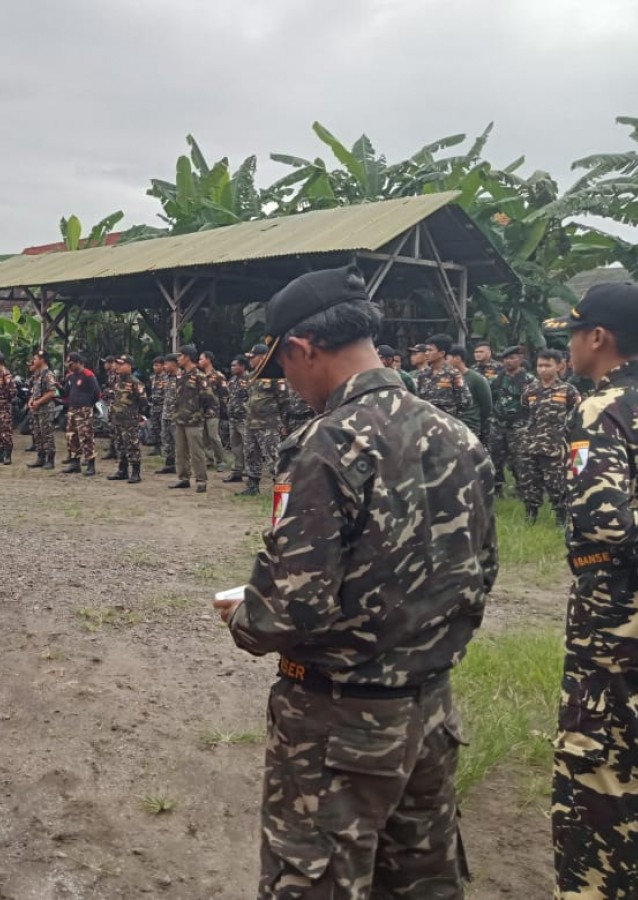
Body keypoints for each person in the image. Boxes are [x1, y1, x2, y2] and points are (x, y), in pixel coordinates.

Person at [213, 264, 497, 898]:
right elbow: (478, 573)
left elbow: (293, 609)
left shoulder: (326, 444)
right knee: (421, 884)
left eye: (284, 368)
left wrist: (241, 614)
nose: (288, 384)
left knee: (313, 881)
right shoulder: (458, 436)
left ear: (301, 349)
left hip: (338, 726)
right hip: (429, 714)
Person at [549, 282, 638, 898]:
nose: (567, 344)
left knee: (599, 786)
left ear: (599, 338)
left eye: (572, 331)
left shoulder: (602, 409)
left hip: (614, 636)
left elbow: (604, 522)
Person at [517, 349, 580, 525]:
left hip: (556, 446)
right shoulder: (530, 390)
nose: (543, 369)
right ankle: (531, 514)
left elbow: (576, 417)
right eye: (540, 365)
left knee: (556, 484)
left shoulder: (568, 390)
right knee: (529, 482)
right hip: (530, 444)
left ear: (559, 366)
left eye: (547, 365)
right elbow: (525, 413)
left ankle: (561, 517)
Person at [238, 344, 287, 497]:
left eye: (252, 357)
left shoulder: (276, 375)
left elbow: (284, 400)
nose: (250, 360)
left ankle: (279, 488)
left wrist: (284, 422)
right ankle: (252, 486)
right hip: (252, 422)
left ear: (263, 357)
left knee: (273, 456)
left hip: (269, 423)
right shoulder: (251, 375)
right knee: (251, 454)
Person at [489, 345, 536, 497]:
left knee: (520, 459)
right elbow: (491, 398)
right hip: (498, 425)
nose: (508, 362)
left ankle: (521, 489)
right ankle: (497, 488)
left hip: (519, 426)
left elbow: (533, 404)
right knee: (495, 457)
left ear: (520, 359)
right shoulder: (497, 379)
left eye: (512, 358)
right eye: (505, 359)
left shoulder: (529, 380)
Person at [170, 344, 215, 493]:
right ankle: (183, 478)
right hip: (180, 418)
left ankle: (201, 480)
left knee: (197, 452)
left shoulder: (199, 376)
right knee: (180, 451)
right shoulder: (181, 376)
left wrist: (200, 413)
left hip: (194, 420)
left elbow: (208, 397)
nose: (178, 359)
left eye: (180, 356)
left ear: (187, 357)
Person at [106, 355, 146, 483]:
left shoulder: (135, 382)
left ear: (129, 366)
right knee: (120, 445)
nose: (117, 366)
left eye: (121, 364)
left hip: (130, 419)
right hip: (117, 418)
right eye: (117, 364)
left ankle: (135, 472)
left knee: (132, 444)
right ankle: (122, 470)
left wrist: (134, 411)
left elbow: (143, 401)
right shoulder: (117, 381)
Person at [61, 352, 100, 476]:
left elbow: (97, 394)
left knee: (86, 437)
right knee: (72, 436)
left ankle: (90, 464)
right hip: (72, 409)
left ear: (78, 362)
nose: (69, 366)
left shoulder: (88, 375)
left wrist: (88, 405)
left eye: (71, 363)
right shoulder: (70, 376)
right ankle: (74, 462)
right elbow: (66, 392)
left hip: (84, 410)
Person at [415, 333, 472, 417]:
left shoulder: (454, 374)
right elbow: (418, 398)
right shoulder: (423, 374)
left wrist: (453, 415)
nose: (426, 353)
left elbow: (466, 401)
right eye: (426, 350)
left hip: (446, 424)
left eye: (430, 350)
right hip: (426, 423)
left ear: (441, 353)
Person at [448, 344, 492, 446]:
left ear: (457, 359)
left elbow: (487, 406)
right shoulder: (447, 378)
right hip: (450, 425)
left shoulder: (477, 379)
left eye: (447, 358)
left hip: (469, 427)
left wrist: (473, 419)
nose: (445, 362)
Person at [25, 351, 59, 470]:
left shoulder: (48, 374)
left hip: (45, 409)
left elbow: (52, 392)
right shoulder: (37, 375)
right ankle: (40, 457)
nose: (33, 361)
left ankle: (50, 460)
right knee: (37, 434)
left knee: (47, 435)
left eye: (35, 358)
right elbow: (34, 391)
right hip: (36, 409)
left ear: (42, 360)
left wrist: (38, 402)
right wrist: (31, 401)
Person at [198, 350, 229, 472]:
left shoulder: (218, 376)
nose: (199, 361)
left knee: (213, 436)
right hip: (201, 411)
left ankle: (221, 460)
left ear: (208, 360)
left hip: (213, 411)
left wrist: (223, 408)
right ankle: (209, 459)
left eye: (201, 359)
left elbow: (224, 394)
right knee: (204, 437)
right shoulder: (200, 376)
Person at [223, 356, 250, 484]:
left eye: (235, 365)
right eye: (232, 365)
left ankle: (251, 472)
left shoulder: (250, 379)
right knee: (235, 446)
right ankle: (237, 471)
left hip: (245, 418)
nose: (232, 368)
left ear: (243, 366)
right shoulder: (232, 380)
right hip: (233, 418)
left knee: (249, 446)